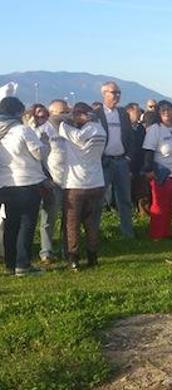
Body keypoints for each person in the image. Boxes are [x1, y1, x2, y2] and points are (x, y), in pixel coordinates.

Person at [55, 102, 107, 270]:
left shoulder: (70, 130)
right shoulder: (101, 130)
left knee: (72, 224)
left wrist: (71, 116)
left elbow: (58, 120)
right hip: (97, 182)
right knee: (92, 223)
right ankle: (93, 257)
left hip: (75, 184)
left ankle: (74, 258)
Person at [0, 96, 48, 276]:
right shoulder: (23, 130)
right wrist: (43, 141)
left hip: (5, 184)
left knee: (10, 225)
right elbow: (39, 154)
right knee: (26, 224)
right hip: (27, 182)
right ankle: (23, 264)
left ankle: (10, 264)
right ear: (17, 112)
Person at [142, 100, 172, 240]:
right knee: (159, 205)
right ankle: (156, 234)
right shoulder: (155, 129)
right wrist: (148, 169)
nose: (166, 112)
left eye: (169, 109)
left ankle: (167, 232)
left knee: (171, 205)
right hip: (161, 173)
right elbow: (148, 150)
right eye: (163, 110)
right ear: (158, 113)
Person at [95, 81, 136, 238]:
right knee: (99, 200)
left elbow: (130, 138)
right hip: (104, 162)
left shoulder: (123, 114)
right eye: (114, 92)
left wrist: (128, 157)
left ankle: (127, 232)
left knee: (125, 199)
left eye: (119, 92)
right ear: (104, 94)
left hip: (121, 161)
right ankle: (95, 233)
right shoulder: (97, 114)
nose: (117, 96)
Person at [32, 103, 65, 264]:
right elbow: (37, 158)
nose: (65, 115)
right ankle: (46, 251)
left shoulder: (69, 129)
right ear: (51, 113)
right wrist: (46, 179)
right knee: (48, 218)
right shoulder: (41, 132)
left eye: (67, 111)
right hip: (51, 181)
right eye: (61, 112)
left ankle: (68, 248)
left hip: (71, 180)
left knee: (69, 217)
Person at [126, 103, 149, 217]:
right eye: (137, 112)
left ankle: (143, 213)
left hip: (140, 163)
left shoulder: (140, 128)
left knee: (141, 190)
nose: (140, 114)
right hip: (128, 163)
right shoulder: (124, 128)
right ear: (129, 112)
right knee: (127, 191)